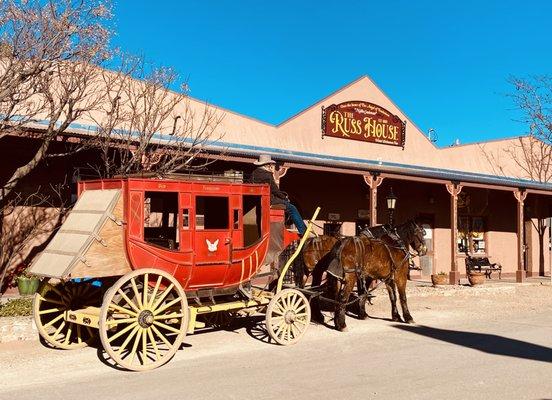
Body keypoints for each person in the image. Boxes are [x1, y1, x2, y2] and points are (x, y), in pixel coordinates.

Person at [250, 154, 307, 235]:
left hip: (259, 201)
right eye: (271, 164)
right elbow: (275, 190)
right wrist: (285, 198)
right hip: (270, 200)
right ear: (268, 165)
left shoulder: (254, 173)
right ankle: (303, 230)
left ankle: (261, 234)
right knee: (292, 208)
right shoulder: (267, 174)